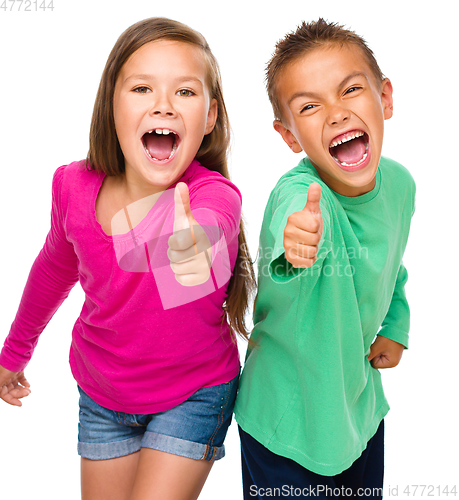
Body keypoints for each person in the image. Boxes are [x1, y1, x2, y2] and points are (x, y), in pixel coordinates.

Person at [0, 17, 255, 500]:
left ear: (211, 116)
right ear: (111, 106)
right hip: (102, 394)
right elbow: (53, 270)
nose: (163, 104)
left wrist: (188, 245)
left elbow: (203, 250)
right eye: (142, 88)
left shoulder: (214, 197)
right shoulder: (72, 186)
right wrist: (14, 353)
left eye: (185, 92)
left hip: (194, 394)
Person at [234, 19, 415, 499]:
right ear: (290, 135)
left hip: (356, 411)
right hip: (286, 425)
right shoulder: (298, 194)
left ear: (386, 99)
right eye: (310, 106)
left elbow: (393, 263)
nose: (335, 114)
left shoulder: (399, 185)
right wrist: (297, 239)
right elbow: (291, 225)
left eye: (350, 90)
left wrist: (396, 325)